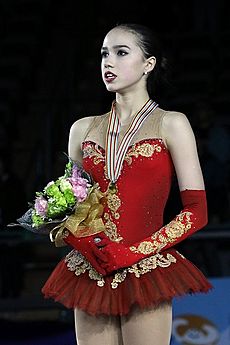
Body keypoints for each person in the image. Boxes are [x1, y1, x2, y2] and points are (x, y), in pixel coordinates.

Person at [42, 23, 212, 345]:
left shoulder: (171, 124)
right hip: (91, 269)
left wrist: (133, 253)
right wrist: (81, 241)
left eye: (121, 53)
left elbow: (197, 211)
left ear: (148, 64)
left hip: (146, 268)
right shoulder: (82, 129)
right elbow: (70, 204)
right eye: (104, 53)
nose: (109, 62)